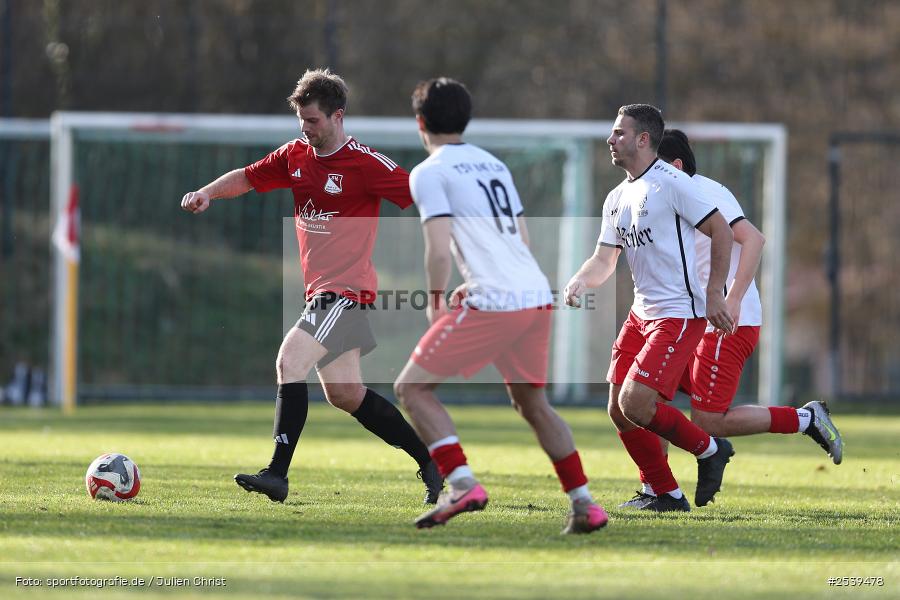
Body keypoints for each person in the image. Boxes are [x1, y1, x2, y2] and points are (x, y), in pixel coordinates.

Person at [180, 68, 442, 505]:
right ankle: (431, 461)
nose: (306, 128)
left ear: (338, 116)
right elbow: (248, 177)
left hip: (345, 292)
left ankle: (277, 474)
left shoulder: (366, 164)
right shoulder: (295, 155)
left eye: (313, 120)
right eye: (301, 120)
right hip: (321, 293)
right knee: (345, 394)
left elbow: (421, 195)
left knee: (290, 360)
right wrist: (207, 192)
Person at [393, 77, 608, 534]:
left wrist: (436, 299)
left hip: (497, 300)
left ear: (420, 123)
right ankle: (584, 504)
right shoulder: (493, 164)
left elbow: (437, 248)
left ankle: (461, 483)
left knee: (412, 388)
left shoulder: (429, 172)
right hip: (535, 294)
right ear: (466, 118)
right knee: (533, 403)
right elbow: (521, 237)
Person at [618, 129, 843, 509]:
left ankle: (806, 419)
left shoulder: (704, 192)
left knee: (708, 421)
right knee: (642, 396)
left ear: (675, 166)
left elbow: (753, 239)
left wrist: (732, 299)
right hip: (686, 320)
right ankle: (658, 490)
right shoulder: (658, 197)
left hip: (724, 324)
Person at [564, 104, 736, 513]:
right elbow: (604, 259)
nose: (611, 139)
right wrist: (580, 280)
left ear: (643, 139)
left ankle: (711, 450)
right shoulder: (617, 197)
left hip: (678, 315)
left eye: (619, 133)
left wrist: (715, 293)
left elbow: (722, 231)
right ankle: (666, 494)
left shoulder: (671, 184)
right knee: (618, 410)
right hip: (642, 315)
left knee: (636, 404)